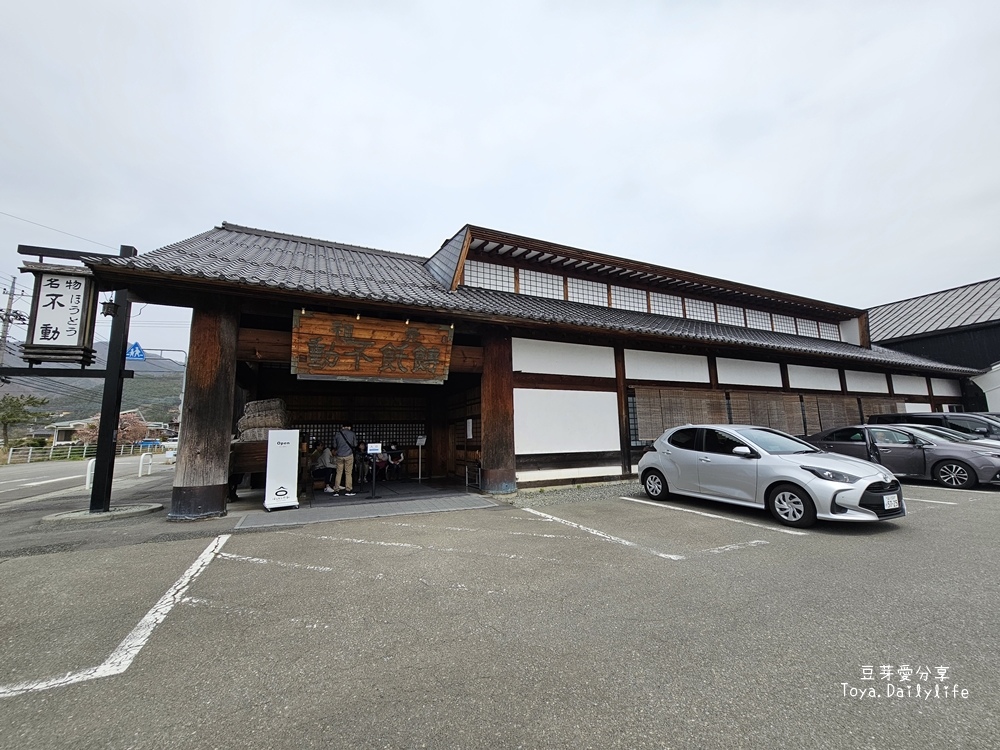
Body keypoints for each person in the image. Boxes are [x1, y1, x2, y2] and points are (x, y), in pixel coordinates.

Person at [333, 423, 357, 496]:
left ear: (342, 426)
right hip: (349, 455)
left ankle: (336, 490)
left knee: (339, 473)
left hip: (339, 455)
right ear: (349, 427)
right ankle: (348, 490)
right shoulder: (352, 433)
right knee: (348, 473)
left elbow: (334, 445)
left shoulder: (337, 434)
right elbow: (355, 444)